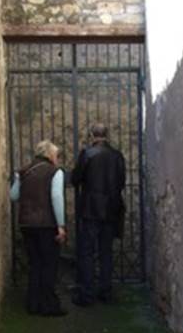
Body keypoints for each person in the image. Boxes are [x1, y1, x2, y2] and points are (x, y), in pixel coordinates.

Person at [10, 140, 67, 316]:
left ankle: (33, 304)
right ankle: (48, 306)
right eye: (56, 155)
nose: (57, 159)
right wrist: (61, 225)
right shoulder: (54, 172)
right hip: (47, 225)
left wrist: (18, 179)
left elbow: (13, 196)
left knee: (35, 264)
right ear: (50, 155)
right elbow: (56, 197)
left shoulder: (24, 170)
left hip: (26, 225)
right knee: (49, 264)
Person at [71, 123, 126, 306]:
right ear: (106, 135)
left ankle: (86, 294)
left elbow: (75, 178)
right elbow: (122, 182)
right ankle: (106, 292)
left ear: (92, 135)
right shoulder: (117, 156)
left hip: (90, 210)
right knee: (106, 252)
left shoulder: (87, 154)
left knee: (87, 253)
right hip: (111, 209)